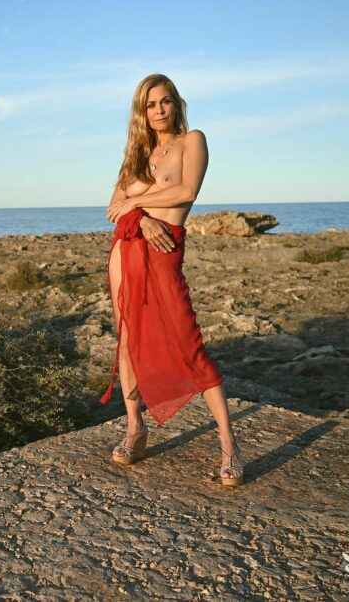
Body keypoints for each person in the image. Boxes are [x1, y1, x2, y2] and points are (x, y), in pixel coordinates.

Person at [100, 73, 244, 487]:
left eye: (164, 101)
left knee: (188, 342)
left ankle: (229, 444)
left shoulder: (192, 141)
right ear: (141, 112)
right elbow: (113, 209)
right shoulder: (135, 155)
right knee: (128, 340)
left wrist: (134, 203)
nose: (159, 110)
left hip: (164, 253)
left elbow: (186, 192)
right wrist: (141, 219)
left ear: (176, 103)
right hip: (127, 250)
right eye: (150, 105)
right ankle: (135, 427)